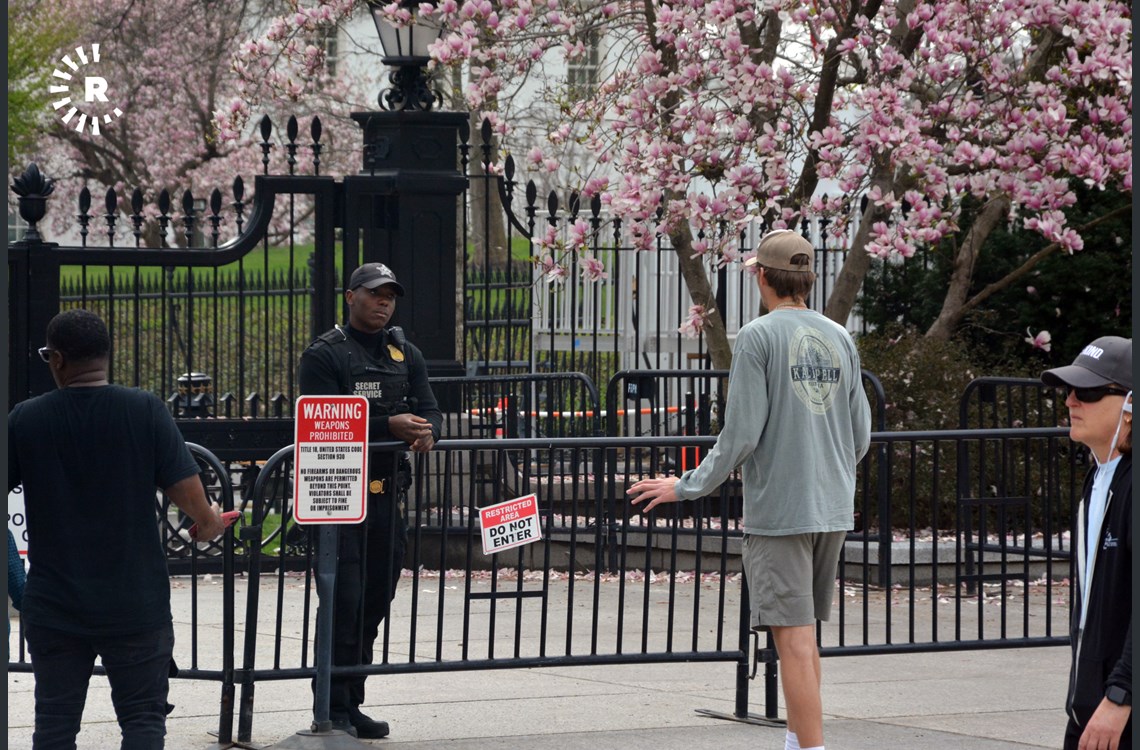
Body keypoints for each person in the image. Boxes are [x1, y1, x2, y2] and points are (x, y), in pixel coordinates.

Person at [627, 230, 871, 750]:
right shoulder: (839, 337)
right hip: (831, 507)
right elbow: (861, 434)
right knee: (804, 641)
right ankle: (797, 740)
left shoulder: (758, 337)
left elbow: (739, 436)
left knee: (794, 642)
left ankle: (810, 748)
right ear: (807, 279)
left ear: (761, 275)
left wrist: (685, 486)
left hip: (781, 510)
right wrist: (827, 473)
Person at [8, 309, 224, 750]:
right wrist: (210, 523)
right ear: (108, 355)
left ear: (57, 359)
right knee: (143, 721)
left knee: (54, 724)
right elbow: (192, 499)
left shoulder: (25, 420)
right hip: (135, 603)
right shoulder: (144, 410)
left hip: (55, 603)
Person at [297, 262, 442, 739]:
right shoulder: (325, 355)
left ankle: (352, 702)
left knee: (375, 602)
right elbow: (322, 422)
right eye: (375, 293)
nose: (383, 302)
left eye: (390, 296)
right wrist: (388, 427)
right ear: (350, 296)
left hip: (385, 500)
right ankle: (331, 707)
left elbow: (429, 409)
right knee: (344, 602)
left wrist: (427, 432)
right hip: (339, 499)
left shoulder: (406, 353)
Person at [1041, 336, 1132, 750]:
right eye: (1070, 390)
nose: (1071, 401)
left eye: (1090, 392)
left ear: (1130, 408)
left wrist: (1120, 697)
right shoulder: (1098, 478)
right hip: (1089, 703)